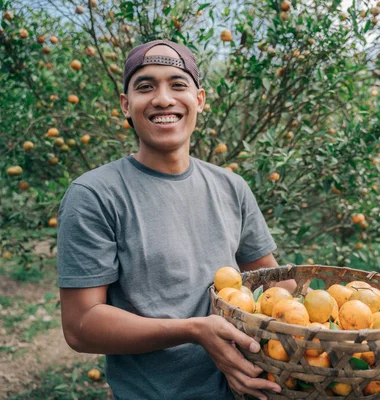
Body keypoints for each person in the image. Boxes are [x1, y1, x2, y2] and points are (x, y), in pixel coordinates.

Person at [57, 39, 295, 400]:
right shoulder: (95, 194)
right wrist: (194, 330)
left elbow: (275, 283)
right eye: (145, 86)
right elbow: (81, 326)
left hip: (247, 390)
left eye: (177, 84)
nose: (163, 99)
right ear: (126, 104)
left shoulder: (231, 187)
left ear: (199, 100)